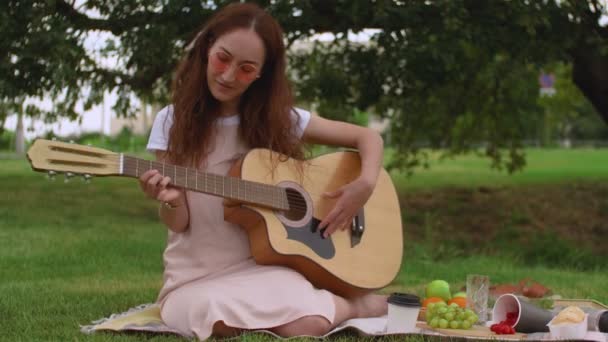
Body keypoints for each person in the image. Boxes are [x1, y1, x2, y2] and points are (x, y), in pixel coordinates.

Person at [139, 2, 387, 340]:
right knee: (209, 317)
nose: (228, 75)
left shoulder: (279, 120)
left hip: (265, 269)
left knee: (308, 326)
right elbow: (179, 223)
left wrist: (364, 184)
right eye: (222, 58)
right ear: (206, 48)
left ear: (261, 73)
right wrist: (169, 200)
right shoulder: (172, 121)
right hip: (195, 277)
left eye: (245, 68)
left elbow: (366, 136)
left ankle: (357, 307)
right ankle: (344, 306)